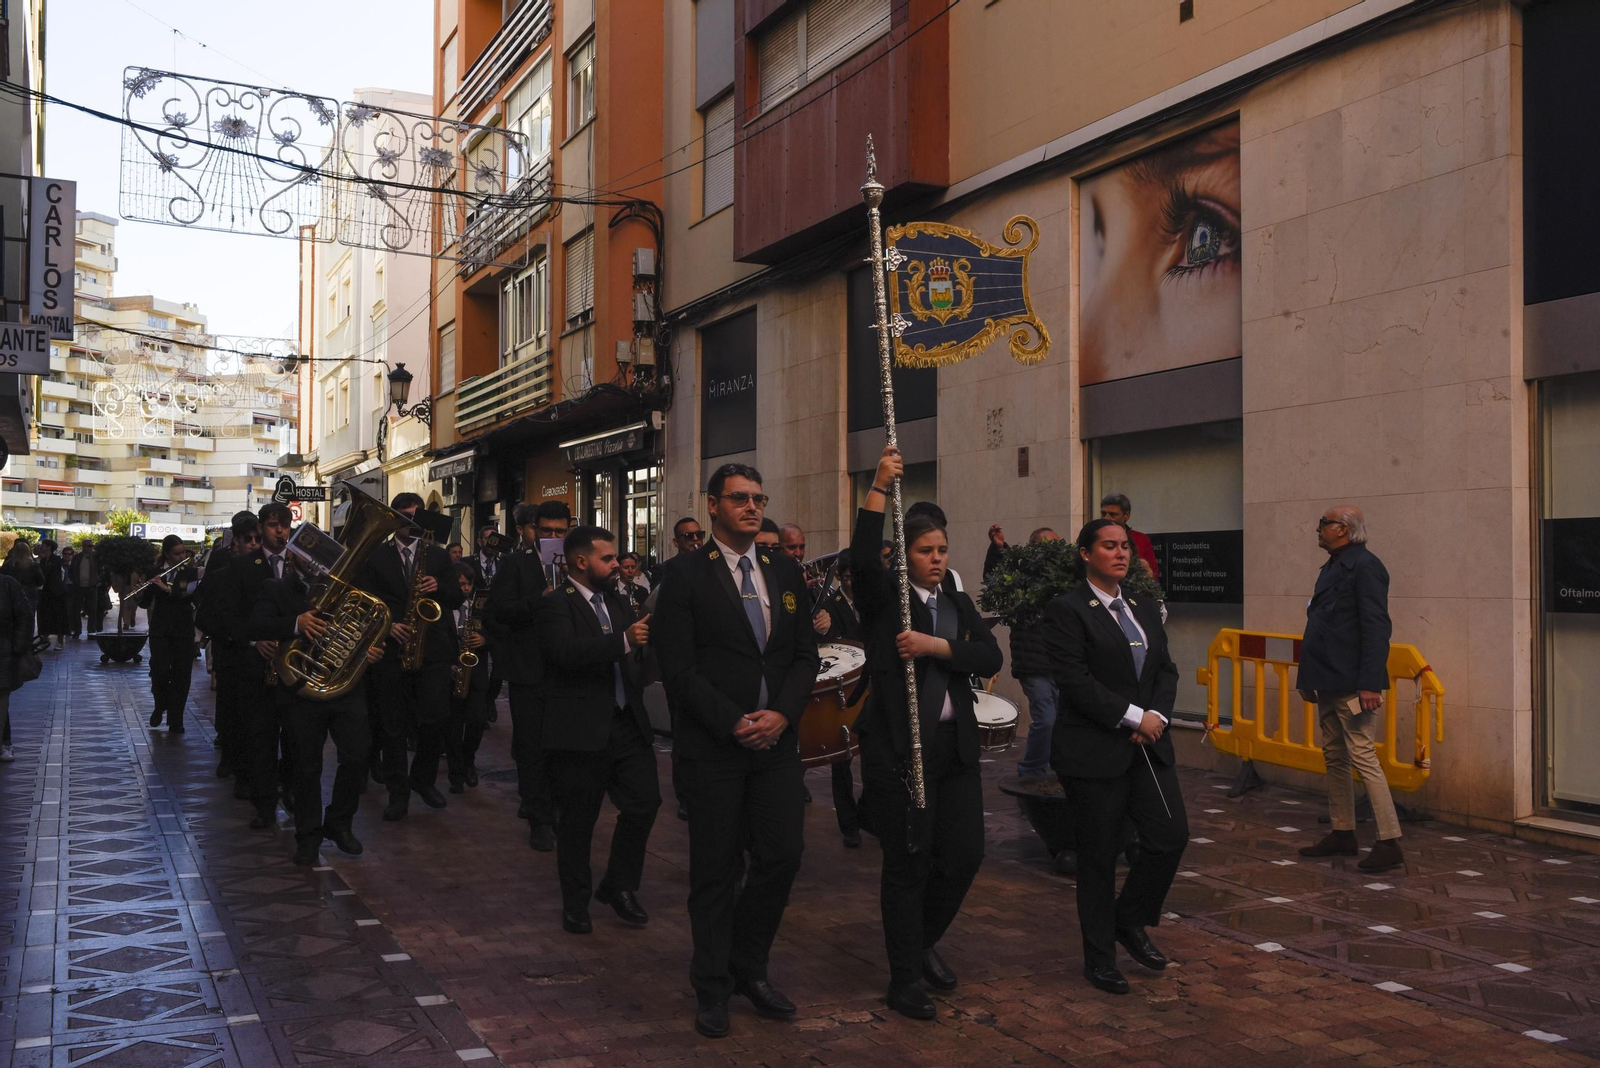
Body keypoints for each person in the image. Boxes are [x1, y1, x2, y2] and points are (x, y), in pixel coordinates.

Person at [653, 463, 820, 1039]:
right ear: (714, 505)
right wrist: (733, 721)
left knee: (783, 855)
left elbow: (804, 656)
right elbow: (678, 668)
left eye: (759, 498)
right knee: (715, 872)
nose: (752, 507)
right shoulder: (684, 574)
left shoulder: (784, 569)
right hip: (713, 748)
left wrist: (783, 714)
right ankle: (712, 986)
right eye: (740, 498)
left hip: (775, 744)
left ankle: (748, 964)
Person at [849, 446, 1003, 1020]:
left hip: (954, 750)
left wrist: (936, 646)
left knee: (964, 856)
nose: (936, 559)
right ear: (903, 554)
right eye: (924, 551)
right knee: (909, 863)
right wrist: (877, 486)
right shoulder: (884, 600)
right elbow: (861, 557)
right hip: (899, 751)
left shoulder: (956, 602)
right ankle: (904, 977)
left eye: (942, 550)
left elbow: (989, 654)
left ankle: (921, 942)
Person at [1038, 519, 1188, 997]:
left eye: (1125, 546)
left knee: (1169, 835)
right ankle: (1100, 958)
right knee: (1099, 857)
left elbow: (1165, 670)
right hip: (1094, 751)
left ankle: (1129, 918)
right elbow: (1074, 681)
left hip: (1148, 745)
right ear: (1086, 554)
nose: (1121, 553)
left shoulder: (1143, 606)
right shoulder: (1067, 610)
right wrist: (1133, 716)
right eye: (1109, 546)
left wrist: (1156, 715)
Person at [538, 525, 659, 933]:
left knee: (644, 803)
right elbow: (563, 652)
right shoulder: (557, 604)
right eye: (607, 559)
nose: (616, 565)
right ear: (580, 562)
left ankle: (619, 884)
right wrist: (622, 642)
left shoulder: (618, 601)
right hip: (581, 730)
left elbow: (635, 653)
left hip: (626, 723)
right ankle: (575, 903)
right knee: (578, 821)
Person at [246, 550, 382, 866]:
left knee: (358, 756)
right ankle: (308, 837)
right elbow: (256, 625)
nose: (314, 561)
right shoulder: (276, 588)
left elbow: (368, 631)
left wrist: (372, 649)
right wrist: (296, 623)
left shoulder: (351, 589)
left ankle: (339, 822)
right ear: (294, 556)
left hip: (345, 688)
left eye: (320, 553)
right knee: (306, 767)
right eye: (307, 554)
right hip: (300, 690)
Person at [1296, 504, 1402, 873]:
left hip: (1353, 683)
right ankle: (1343, 832)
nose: (1318, 528)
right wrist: (1308, 679)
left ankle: (1389, 841)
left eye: (1324, 523)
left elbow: (1376, 627)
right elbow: (1320, 625)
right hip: (1327, 679)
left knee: (1363, 756)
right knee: (1334, 756)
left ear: (1343, 529)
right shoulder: (1333, 566)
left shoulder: (1366, 566)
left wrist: (1370, 684)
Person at [358, 494, 465, 823]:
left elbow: (456, 597)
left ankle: (423, 779)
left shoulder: (438, 555)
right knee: (392, 726)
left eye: (417, 515)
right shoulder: (376, 555)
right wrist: (387, 625)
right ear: (394, 518)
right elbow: (363, 600)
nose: (411, 521)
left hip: (433, 651)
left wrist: (438, 586)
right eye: (405, 515)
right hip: (391, 649)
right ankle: (398, 794)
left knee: (435, 719)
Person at [488, 501, 560, 850]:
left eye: (560, 532)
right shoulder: (515, 563)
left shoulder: (574, 561)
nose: (552, 537)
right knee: (531, 748)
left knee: (562, 748)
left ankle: (556, 808)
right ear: (533, 530)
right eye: (546, 530)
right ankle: (539, 819)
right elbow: (498, 611)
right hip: (529, 669)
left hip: (565, 669)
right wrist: (538, 600)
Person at [984, 524, 1064, 785]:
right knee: (1047, 719)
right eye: (1048, 546)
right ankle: (1032, 770)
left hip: (1061, 664)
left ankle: (1053, 767)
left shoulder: (1064, 578)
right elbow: (996, 579)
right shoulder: (1022, 578)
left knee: (1060, 720)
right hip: (1033, 664)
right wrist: (998, 549)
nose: (1054, 552)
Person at [197, 514, 260, 785]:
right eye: (248, 539)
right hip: (231, 654)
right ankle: (230, 757)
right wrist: (228, 634)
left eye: (258, 539)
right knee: (230, 709)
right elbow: (204, 613)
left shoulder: (270, 572)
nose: (254, 544)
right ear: (236, 541)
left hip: (260, 658)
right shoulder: (221, 571)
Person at [653, 515, 706, 821]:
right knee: (683, 731)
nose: (695, 540)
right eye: (688, 536)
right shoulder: (668, 570)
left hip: (704, 662)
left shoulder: (710, 565)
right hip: (679, 664)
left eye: (699, 535)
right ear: (676, 542)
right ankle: (685, 794)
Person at [139, 536, 199, 733]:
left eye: (183, 552)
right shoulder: (154, 572)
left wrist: (166, 588)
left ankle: (176, 719)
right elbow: (145, 603)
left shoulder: (190, 572)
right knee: (159, 671)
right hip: (161, 629)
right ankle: (160, 704)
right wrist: (140, 591)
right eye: (177, 553)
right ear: (166, 554)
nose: (182, 556)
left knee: (182, 675)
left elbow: (189, 595)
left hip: (183, 630)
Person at [445, 562, 491, 794]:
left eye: (468, 584)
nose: (464, 588)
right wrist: (447, 665)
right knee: (452, 729)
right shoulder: (444, 608)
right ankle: (456, 774)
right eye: (460, 584)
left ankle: (468, 759)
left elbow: (497, 631)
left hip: (476, 674)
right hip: (451, 673)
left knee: (477, 721)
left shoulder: (479, 607)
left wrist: (484, 639)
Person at [0, 567, 33, 763]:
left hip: (4, 653)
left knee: (1, 699)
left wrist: (18, 647)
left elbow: (25, 616)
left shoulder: (7, 584)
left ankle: (4, 742)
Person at [1099, 495, 1160, 584]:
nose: (1106, 518)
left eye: (1113, 514)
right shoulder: (1094, 537)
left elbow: (1153, 576)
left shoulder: (1141, 539)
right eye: (1103, 514)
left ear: (1126, 515)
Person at [35, 540, 69, 650]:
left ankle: (60, 641)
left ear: (49, 547)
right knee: (45, 616)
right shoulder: (43, 560)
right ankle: (44, 639)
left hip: (56, 592)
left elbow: (47, 571)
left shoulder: (56, 559)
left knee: (59, 616)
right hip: (46, 592)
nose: (41, 547)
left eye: (43, 545)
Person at [2, 539, 43, 615]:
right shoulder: (33, 565)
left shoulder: (8, 565)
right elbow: (40, 580)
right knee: (29, 616)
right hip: (30, 594)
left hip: (12, 595)